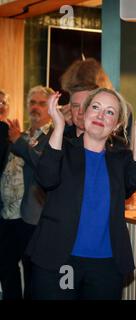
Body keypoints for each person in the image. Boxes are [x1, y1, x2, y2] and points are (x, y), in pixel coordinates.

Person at [26, 88, 136, 300]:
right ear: (83, 114)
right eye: (95, 107)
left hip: (106, 265)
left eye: (110, 112)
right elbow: (46, 178)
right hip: (60, 260)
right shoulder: (62, 148)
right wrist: (58, 126)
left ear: (117, 124)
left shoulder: (120, 157)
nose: (100, 115)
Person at [6, 85, 55, 299]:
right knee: (18, 268)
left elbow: (42, 163)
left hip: (42, 219)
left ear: (51, 108)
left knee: (39, 278)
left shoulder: (54, 135)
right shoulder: (23, 135)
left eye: (42, 104)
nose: (35, 107)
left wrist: (18, 141)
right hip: (18, 217)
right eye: (32, 103)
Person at [0, 90, 27, 300]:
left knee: (8, 265)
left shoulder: (9, 133)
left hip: (12, 214)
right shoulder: (10, 134)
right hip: (8, 213)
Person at [60, 58, 114, 141]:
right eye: (76, 105)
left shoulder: (116, 113)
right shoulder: (63, 129)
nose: (80, 112)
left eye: (87, 105)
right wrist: (63, 128)